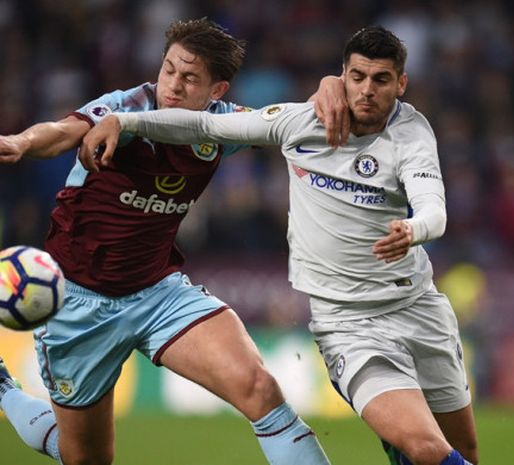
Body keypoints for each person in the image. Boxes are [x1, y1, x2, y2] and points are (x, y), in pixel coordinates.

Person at [82, 26, 479, 465]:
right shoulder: (301, 121)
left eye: (381, 80)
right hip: (348, 324)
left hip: (418, 308)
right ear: (342, 76)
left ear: (401, 84)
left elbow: (434, 210)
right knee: (427, 449)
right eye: (357, 77)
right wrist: (125, 120)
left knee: (462, 454)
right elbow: (204, 123)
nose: (367, 90)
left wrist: (414, 229)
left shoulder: (413, 136)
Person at [0, 17, 348, 465]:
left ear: (216, 91)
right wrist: (22, 141)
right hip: (79, 302)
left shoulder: (223, 127)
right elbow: (64, 131)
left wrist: (328, 87)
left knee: (259, 389)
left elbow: (294, 121)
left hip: (157, 293)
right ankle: (5, 391)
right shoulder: (124, 107)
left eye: (189, 78)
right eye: (169, 70)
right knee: (84, 457)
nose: (173, 85)